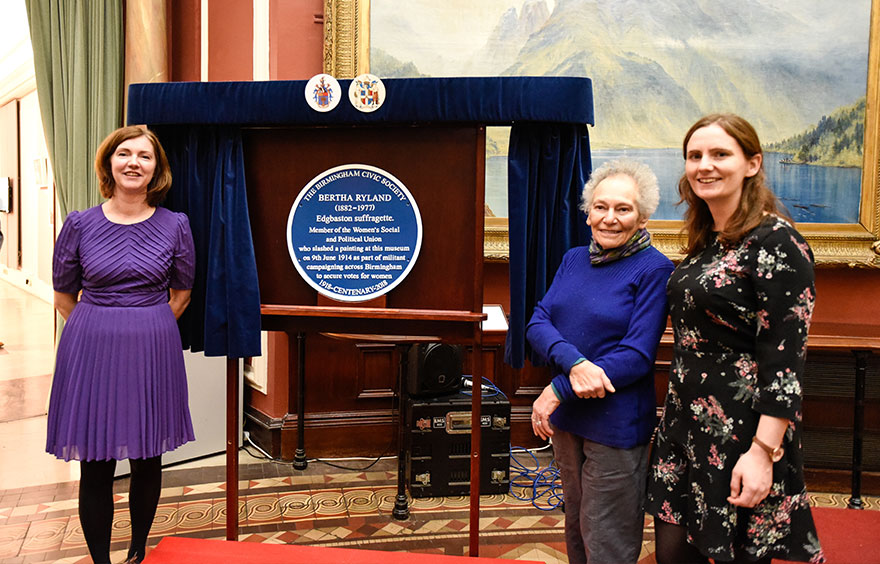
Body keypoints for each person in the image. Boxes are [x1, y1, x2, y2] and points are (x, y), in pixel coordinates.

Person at [646, 114, 824, 564]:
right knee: (672, 555)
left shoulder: (777, 242)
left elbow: (785, 365)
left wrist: (763, 452)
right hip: (684, 426)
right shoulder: (708, 240)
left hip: (742, 433)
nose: (704, 165)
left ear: (752, 164)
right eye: (694, 155)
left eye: (720, 154)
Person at [47, 125, 195, 564]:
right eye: (124, 153)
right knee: (95, 460)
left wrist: (143, 327)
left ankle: (137, 550)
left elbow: (181, 296)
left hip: (152, 350)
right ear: (109, 163)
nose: (134, 162)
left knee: (148, 455)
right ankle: (100, 560)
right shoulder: (80, 224)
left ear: (156, 169)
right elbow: (63, 296)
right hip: (90, 351)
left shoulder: (175, 225)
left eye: (144, 156)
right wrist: (101, 328)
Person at [527, 159, 674, 563]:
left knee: (606, 537)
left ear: (643, 217)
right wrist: (574, 365)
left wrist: (559, 387)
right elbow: (538, 321)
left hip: (616, 424)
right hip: (568, 418)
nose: (610, 218)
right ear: (588, 212)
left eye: (623, 209)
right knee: (576, 526)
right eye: (601, 207)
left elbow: (636, 356)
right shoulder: (574, 259)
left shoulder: (655, 269)